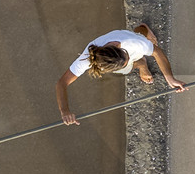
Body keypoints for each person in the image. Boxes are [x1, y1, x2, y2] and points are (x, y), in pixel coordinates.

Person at [55, 23, 186, 125]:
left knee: (141, 38)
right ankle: (140, 64)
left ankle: (143, 29)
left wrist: (170, 78)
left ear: (117, 47)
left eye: (126, 56)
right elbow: (62, 83)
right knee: (127, 69)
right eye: (126, 59)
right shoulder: (86, 59)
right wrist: (65, 111)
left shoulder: (132, 43)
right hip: (120, 61)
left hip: (131, 38)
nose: (128, 57)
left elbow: (157, 52)